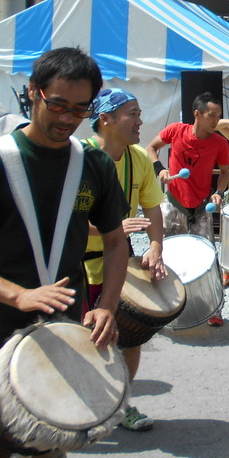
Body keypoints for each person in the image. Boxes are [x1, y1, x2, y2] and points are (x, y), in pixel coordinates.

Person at [0, 47, 129, 458]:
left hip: (60, 333)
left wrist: (107, 306)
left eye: (80, 109)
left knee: (47, 453)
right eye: (57, 104)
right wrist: (18, 295)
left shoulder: (94, 164)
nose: (67, 119)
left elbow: (116, 242)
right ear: (33, 93)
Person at [84, 88, 166, 432]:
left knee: (130, 337)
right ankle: (81, 410)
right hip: (77, 266)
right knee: (82, 341)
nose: (140, 121)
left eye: (140, 113)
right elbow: (60, 220)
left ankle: (121, 404)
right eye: (132, 113)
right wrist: (110, 228)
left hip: (120, 261)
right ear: (105, 119)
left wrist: (156, 247)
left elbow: (153, 209)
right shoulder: (78, 157)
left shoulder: (139, 159)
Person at [146, 92, 229, 324]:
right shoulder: (176, 131)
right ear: (197, 114)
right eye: (211, 115)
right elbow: (151, 147)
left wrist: (219, 191)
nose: (216, 120)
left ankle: (214, 309)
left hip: (201, 207)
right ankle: (163, 308)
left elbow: (225, 172)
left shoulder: (219, 143)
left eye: (218, 116)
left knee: (207, 256)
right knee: (163, 253)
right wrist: (160, 169)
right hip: (173, 204)